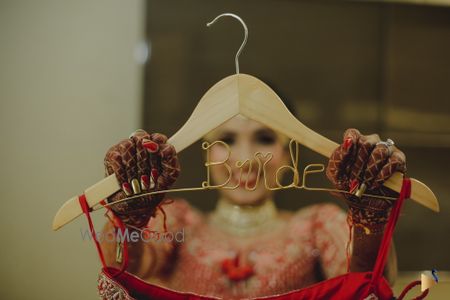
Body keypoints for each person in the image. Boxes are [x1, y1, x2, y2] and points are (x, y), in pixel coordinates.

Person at [99, 115, 405, 299]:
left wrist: (371, 219)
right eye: (227, 139)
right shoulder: (178, 221)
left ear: (288, 153)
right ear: (207, 155)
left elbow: (372, 284)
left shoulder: (315, 225)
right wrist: (129, 217)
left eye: (264, 138)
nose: (245, 158)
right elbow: (126, 270)